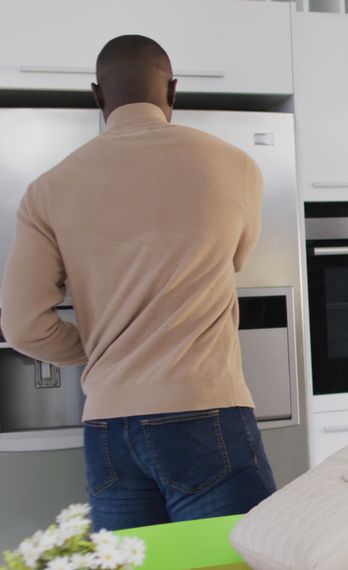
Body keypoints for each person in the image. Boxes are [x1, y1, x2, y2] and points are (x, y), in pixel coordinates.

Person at [0, 35, 275, 530]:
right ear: (173, 90)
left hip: (108, 428)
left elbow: (22, 327)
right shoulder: (237, 166)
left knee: (133, 564)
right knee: (234, 561)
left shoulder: (47, 188)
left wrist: (107, 350)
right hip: (206, 409)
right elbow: (234, 261)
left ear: (96, 96)